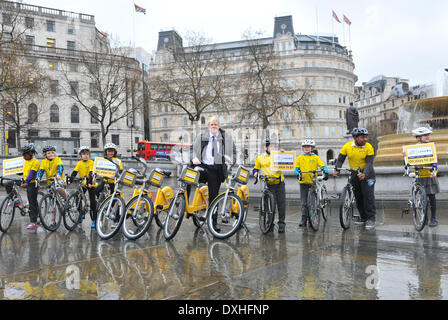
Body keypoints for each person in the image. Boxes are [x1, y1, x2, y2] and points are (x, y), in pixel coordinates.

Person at [192, 116, 236, 230]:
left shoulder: (226, 138)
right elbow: (192, 149)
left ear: (219, 126)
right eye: (212, 124)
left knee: (213, 197)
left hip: (215, 170)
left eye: (216, 124)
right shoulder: (201, 136)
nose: (214, 126)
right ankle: (184, 207)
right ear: (208, 126)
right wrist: (193, 158)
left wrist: (229, 161)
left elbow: (234, 153)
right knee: (187, 177)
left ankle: (213, 222)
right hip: (202, 166)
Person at [333, 128, 376, 230]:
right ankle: (363, 217)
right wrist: (337, 169)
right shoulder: (347, 146)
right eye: (362, 137)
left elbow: (369, 163)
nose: (365, 139)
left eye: (366, 137)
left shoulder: (368, 147)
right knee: (358, 196)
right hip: (354, 173)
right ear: (355, 138)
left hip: (367, 173)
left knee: (368, 196)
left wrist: (364, 174)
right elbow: (340, 159)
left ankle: (371, 218)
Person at [253, 137, 287, 233]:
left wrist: (284, 154)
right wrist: (255, 173)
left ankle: (281, 224)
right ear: (266, 147)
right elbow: (255, 169)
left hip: (279, 182)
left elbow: (287, 162)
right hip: (269, 183)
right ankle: (270, 223)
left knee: (281, 204)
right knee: (269, 206)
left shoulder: (278, 155)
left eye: (273, 146)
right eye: (270, 146)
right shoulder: (260, 158)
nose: (272, 147)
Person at [295, 140, 329, 227]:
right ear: (303, 148)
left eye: (308, 147)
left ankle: (313, 217)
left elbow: (322, 165)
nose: (306, 148)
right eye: (305, 147)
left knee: (312, 202)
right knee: (304, 202)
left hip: (312, 182)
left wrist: (325, 170)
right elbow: (297, 168)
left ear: (312, 148)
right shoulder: (299, 158)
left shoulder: (316, 158)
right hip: (303, 182)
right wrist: (297, 173)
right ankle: (303, 219)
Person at [410, 127, 440, 227]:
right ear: (418, 138)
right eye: (425, 135)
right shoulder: (413, 148)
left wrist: (435, 170)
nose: (427, 136)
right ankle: (425, 218)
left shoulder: (431, 147)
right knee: (423, 198)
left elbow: (435, 160)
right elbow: (409, 161)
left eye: (428, 135)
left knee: (432, 197)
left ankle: (433, 218)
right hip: (420, 174)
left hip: (430, 174)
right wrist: (405, 156)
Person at [67, 146, 98, 229]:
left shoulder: (91, 162)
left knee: (92, 202)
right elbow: (74, 172)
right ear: (80, 155)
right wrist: (70, 180)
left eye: (87, 154)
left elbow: (91, 173)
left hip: (91, 184)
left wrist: (90, 182)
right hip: (83, 184)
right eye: (84, 154)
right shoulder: (79, 163)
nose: (86, 156)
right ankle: (80, 214)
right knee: (77, 197)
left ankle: (94, 220)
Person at [17, 144, 40, 230]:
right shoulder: (25, 161)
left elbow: (32, 173)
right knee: (9, 183)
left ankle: (33, 222)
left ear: (30, 153)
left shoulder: (35, 162)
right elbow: (23, 171)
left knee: (32, 202)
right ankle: (16, 200)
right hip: (26, 181)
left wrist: (26, 182)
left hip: (32, 183)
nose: (23, 156)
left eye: (24, 154)